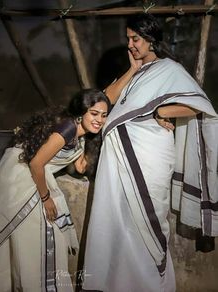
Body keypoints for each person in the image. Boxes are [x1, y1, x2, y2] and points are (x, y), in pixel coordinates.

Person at [81, 14, 218, 292]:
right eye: (128, 39)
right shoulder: (138, 72)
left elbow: (198, 105)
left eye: (136, 39)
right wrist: (131, 69)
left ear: (151, 40)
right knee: (117, 223)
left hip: (150, 156)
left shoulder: (169, 69)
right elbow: (105, 99)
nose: (130, 44)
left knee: (148, 221)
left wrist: (161, 111)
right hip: (118, 162)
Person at [0, 88, 111, 292]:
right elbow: (36, 164)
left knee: (44, 239)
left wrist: (93, 144)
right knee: (37, 236)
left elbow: (80, 167)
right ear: (81, 113)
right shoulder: (68, 128)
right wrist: (46, 198)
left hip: (33, 172)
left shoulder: (82, 133)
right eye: (94, 114)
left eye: (104, 115)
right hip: (21, 175)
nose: (99, 119)